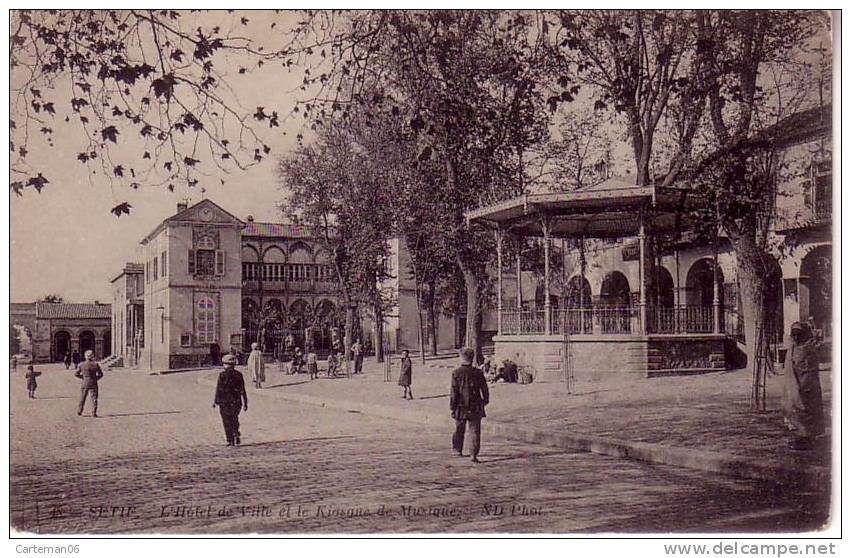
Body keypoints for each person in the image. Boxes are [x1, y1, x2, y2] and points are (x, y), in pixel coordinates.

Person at [782, 321, 825, 451]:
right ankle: (803, 436)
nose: (796, 337)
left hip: (806, 385)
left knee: (807, 409)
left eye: (799, 334)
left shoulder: (809, 349)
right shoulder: (793, 349)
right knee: (794, 410)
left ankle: (808, 438)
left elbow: (809, 369)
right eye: (794, 334)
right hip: (793, 384)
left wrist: (803, 385)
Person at [450, 347, 490, 463]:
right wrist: (485, 401)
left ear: (462, 358)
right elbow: (485, 389)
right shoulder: (478, 372)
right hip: (475, 405)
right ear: (472, 358)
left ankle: (457, 449)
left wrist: (452, 407)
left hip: (461, 405)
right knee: (475, 430)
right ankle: (473, 454)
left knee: (459, 429)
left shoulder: (456, 372)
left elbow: (454, 392)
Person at [213, 354, 248, 447]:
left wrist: (215, 401)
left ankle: (230, 439)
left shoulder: (222, 375)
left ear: (225, 364)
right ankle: (235, 432)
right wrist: (245, 402)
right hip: (236, 401)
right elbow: (243, 389)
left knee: (226, 420)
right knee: (234, 418)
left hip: (224, 402)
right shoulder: (239, 375)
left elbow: (219, 389)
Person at [75, 350, 103, 417]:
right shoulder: (96, 364)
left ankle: (79, 411)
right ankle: (94, 412)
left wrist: (83, 377)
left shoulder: (81, 364)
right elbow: (101, 374)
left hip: (85, 382)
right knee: (94, 398)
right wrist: (96, 378)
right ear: (92, 356)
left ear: (85, 356)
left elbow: (76, 374)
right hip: (93, 382)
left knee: (83, 397)